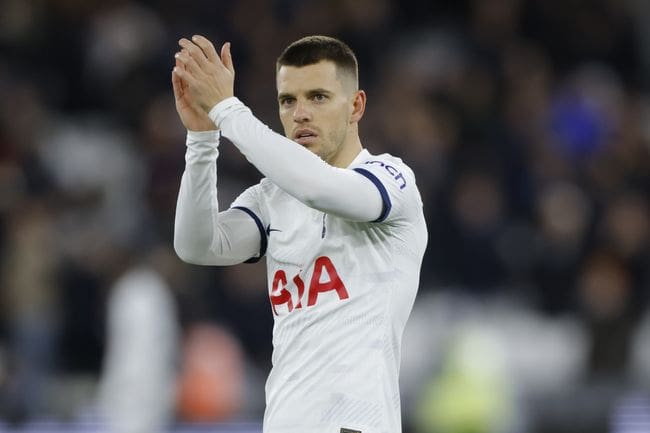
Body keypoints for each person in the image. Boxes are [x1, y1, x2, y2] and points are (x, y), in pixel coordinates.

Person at [172, 34, 427, 433]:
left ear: (355, 106)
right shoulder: (273, 197)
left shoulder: (391, 180)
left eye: (318, 97)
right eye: (288, 101)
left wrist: (227, 109)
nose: (300, 113)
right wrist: (202, 138)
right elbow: (197, 245)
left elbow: (318, 188)